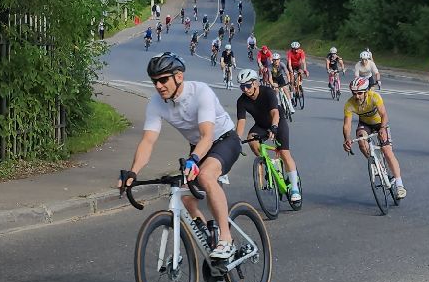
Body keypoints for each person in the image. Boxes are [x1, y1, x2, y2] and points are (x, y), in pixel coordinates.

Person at [120, 52, 240, 261]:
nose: (158, 86)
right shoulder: (157, 103)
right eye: (155, 81)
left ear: (179, 77)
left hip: (224, 140)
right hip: (198, 147)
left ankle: (226, 239)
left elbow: (207, 136)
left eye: (163, 79)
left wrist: (194, 160)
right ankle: (208, 238)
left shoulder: (200, 92)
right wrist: (133, 172)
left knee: (206, 176)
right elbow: (148, 141)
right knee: (184, 198)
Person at [234, 67, 302, 206]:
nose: (245, 89)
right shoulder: (241, 101)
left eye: (248, 85)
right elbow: (241, 122)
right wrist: (235, 140)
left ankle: (295, 189)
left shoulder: (268, 92)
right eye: (242, 87)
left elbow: (275, 113)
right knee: (252, 140)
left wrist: (274, 127)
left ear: (255, 83)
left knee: (284, 153)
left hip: (277, 122)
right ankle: (269, 164)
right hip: (260, 125)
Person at [342, 76, 406, 198]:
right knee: (361, 140)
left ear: (366, 91)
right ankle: (375, 164)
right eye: (354, 93)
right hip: (365, 124)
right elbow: (347, 125)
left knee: (387, 151)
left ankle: (399, 185)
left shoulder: (374, 97)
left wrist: (382, 128)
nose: (357, 96)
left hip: (379, 123)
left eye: (360, 93)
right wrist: (347, 139)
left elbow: (384, 115)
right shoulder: (349, 104)